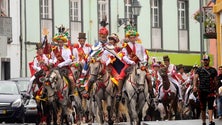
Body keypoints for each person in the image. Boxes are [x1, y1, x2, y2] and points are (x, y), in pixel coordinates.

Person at [121, 30, 154, 97]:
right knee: (121, 76)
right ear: (129, 38)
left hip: (140, 65)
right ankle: (120, 92)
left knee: (149, 77)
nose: (132, 39)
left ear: (136, 38)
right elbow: (124, 56)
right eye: (131, 37)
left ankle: (151, 92)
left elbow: (144, 54)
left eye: (134, 37)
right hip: (130, 64)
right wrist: (130, 62)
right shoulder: (126, 46)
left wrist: (144, 60)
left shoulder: (140, 46)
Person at [81, 27, 109, 99]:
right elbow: (90, 56)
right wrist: (93, 59)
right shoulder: (96, 46)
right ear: (99, 36)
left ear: (106, 36)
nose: (103, 38)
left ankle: (119, 93)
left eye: (104, 36)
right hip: (97, 65)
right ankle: (87, 92)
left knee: (116, 78)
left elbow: (112, 57)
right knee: (91, 78)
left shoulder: (109, 46)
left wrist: (106, 62)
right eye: (101, 36)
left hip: (107, 66)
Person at [193, 55, 218, 125]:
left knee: (210, 105)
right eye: (204, 60)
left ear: (209, 61)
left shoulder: (213, 70)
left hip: (211, 90)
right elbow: (195, 78)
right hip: (201, 90)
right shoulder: (199, 69)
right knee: (203, 107)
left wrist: (217, 91)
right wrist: (194, 86)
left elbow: (215, 81)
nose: (205, 61)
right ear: (203, 61)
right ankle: (204, 121)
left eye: (206, 60)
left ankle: (210, 120)